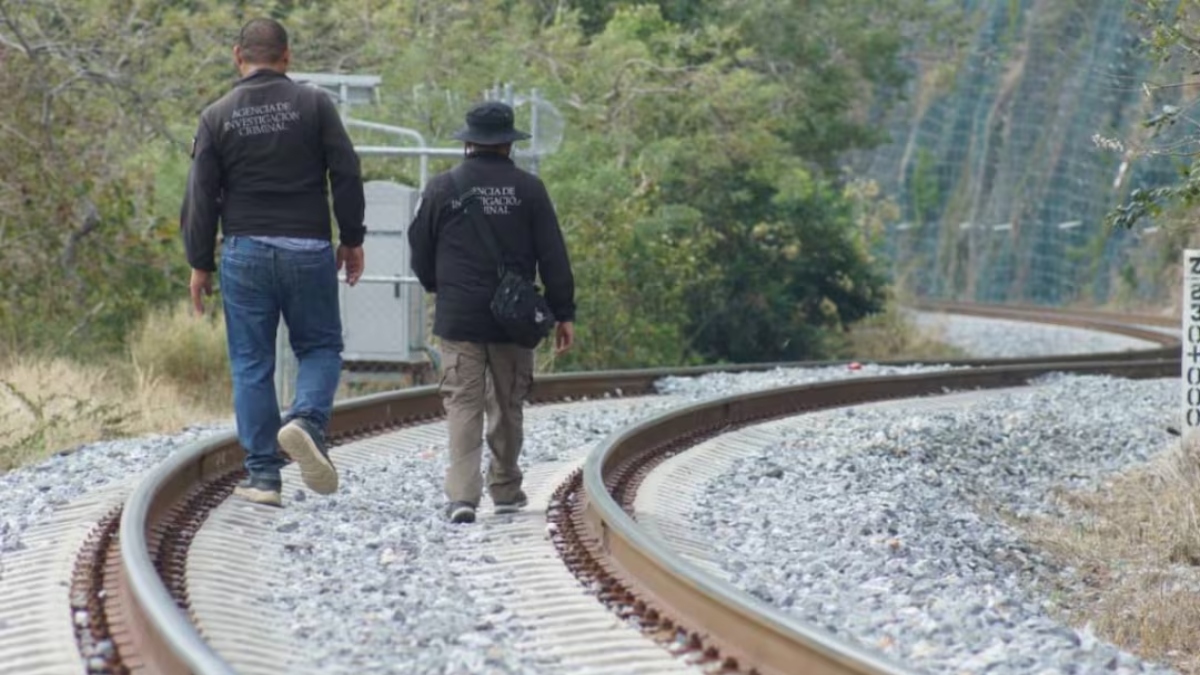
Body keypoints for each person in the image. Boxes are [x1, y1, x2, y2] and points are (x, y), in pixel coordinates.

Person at [180, 18, 366, 507]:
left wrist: (199, 263)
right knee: (320, 347)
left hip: (245, 252)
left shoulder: (216, 115)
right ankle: (305, 420)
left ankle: (263, 478)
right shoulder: (315, 104)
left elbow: (201, 197)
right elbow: (346, 172)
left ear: (237, 56)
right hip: (307, 248)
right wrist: (352, 239)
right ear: (287, 57)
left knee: (251, 364)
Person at [408, 101, 576, 524]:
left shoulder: (442, 187)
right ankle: (504, 487)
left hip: (459, 315)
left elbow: (420, 251)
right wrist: (563, 311)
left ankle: (462, 497)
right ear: (508, 144)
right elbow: (553, 255)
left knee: (463, 403)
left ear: (468, 142)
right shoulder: (530, 189)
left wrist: (439, 288)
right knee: (507, 401)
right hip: (513, 318)